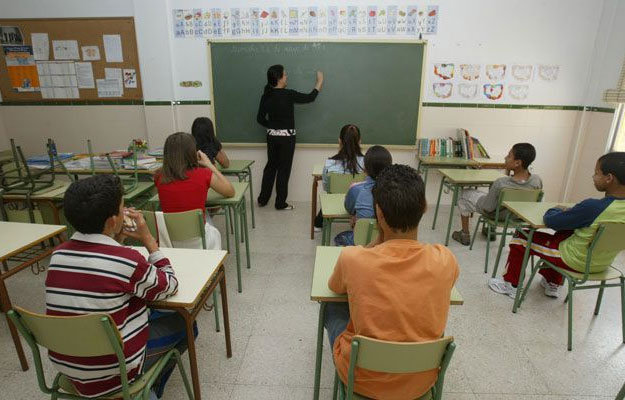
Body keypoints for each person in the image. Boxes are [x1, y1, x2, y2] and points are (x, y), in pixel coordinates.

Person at [324, 164, 459, 399]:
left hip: (362, 379)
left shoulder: (353, 258)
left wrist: (377, 240)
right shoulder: (444, 259)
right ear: (424, 208)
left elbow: (335, 287)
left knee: (332, 306)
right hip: (422, 380)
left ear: (379, 214)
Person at [46, 175, 184, 399]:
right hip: (115, 370)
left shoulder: (58, 255)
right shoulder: (126, 260)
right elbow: (170, 285)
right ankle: (148, 392)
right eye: (122, 208)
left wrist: (115, 240)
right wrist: (148, 239)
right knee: (185, 322)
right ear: (112, 221)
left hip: (69, 367)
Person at [489, 152, 625, 299]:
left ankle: (511, 285)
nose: (593, 177)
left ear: (609, 178)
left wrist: (556, 209)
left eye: (596, 173)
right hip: (603, 264)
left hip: (575, 260)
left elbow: (552, 222)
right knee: (565, 233)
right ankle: (552, 282)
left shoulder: (594, 207)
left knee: (522, 236)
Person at [257, 64, 324, 210]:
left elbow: (260, 119)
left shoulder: (266, 96)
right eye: (285, 75)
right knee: (283, 170)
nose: (287, 77)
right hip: (287, 139)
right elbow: (309, 97)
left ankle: (263, 199)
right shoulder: (288, 94)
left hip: (272, 137)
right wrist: (319, 82)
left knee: (271, 167)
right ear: (280, 79)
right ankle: (280, 203)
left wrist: (273, 127)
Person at [154, 132, 234, 249]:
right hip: (198, 240)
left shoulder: (158, 176)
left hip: (169, 240)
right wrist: (209, 165)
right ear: (192, 152)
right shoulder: (203, 174)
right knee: (213, 230)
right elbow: (230, 191)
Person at [452, 143, 543, 246]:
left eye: (509, 155)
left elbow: (487, 208)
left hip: (498, 216)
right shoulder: (536, 181)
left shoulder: (500, 183)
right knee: (494, 197)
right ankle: (490, 231)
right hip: (519, 216)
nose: (505, 158)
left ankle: (464, 234)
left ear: (517, 163)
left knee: (464, 194)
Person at [334, 145, 392, 246]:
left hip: (361, 241)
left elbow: (349, 208)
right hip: (387, 242)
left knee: (339, 238)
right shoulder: (396, 191)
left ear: (365, 168)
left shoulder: (356, 189)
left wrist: (356, 216)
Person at [314, 124, 365, 231]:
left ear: (339, 141)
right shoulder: (367, 164)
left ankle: (319, 223)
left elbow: (326, 187)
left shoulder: (330, 164)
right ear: (360, 141)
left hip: (334, 201)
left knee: (329, 194)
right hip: (359, 202)